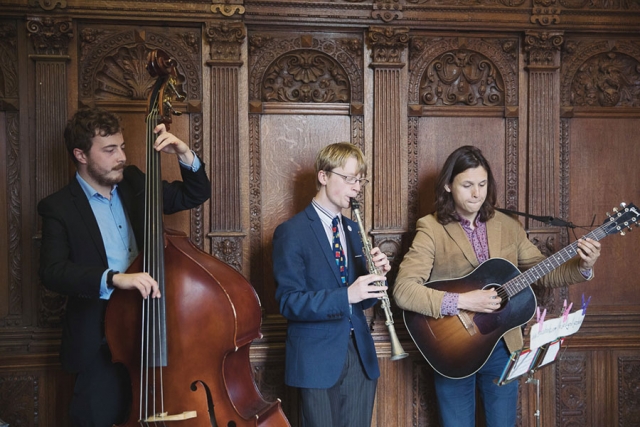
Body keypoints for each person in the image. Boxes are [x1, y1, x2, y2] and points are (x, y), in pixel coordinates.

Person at [393, 145, 602, 427]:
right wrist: (464, 301)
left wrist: (583, 266)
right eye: (467, 185)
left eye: (482, 184)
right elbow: (404, 290)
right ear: (447, 185)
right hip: (452, 348)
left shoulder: (507, 225)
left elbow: (542, 273)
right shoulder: (431, 228)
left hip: (503, 347)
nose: (477, 193)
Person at [38, 107, 211, 427]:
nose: (121, 156)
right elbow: (53, 271)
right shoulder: (58, 207)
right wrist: (115, 279)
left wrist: (184, 153)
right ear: (81, 155)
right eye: (109, 150)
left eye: (122, 147)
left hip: (151, 325)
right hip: (97, 340)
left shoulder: (133, 181)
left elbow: (194, 193)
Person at [272, 142, 391, 427]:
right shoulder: (291, 232)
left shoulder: (352, 229)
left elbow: (362, 301)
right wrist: (347, 295)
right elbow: (289, 301)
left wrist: (377, 280)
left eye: (360, 180)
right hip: (317, 360)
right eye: (349, 178)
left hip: (360, 357)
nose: (356, 187)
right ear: (324, 176)